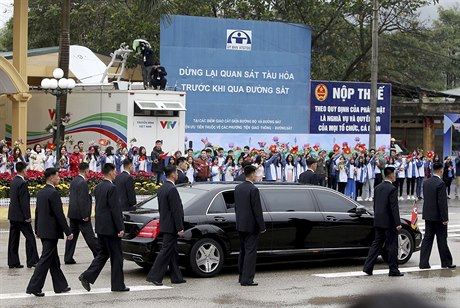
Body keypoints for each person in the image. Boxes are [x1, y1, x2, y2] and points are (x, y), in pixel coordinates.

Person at [79, 163, 129, 292]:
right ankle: (118, 285)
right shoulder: (112, 188)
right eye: (114, 171)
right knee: (117, 257)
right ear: (111, 172)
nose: (116, 174)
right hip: (111, 229)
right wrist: (120, 228)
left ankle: (87, 276)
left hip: (101, 228)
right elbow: (115, 210)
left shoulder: (99, 187)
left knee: (103, 254)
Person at [26, 168, 73, 297]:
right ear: (51, 177)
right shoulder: (53, 193)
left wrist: (37, 229)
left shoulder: (41, 192)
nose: (59, 178)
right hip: (51, 232)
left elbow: (37, 212)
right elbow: (59, 215)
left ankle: (60, 286)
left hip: (44, 230)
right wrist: (68, 231)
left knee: (53, 260)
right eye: (58, 176)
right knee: (45, 259)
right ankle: (34, 287)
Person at [146, 165, 186, 286]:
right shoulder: (172, 189)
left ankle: (176, 277)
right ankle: (154, 276)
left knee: (172, 251)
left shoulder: (162, 188)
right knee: (166, 251)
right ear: (173, 174)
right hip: (171, 226)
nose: (178, 175)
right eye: (176, 173)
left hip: (165, 223)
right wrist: (179, 227)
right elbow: (176, 210)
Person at [362, 166, 403, 277]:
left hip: (379, 220)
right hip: (389, 222)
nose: (395, 176)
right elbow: (394, 207)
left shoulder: (378, 187)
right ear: (391, 175)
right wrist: (398, 223)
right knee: (392, 246)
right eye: (394, 174)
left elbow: (375, 205)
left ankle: (368, 267)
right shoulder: (392, 189)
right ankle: (393, 270)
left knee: (376, 245)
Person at [419, 162, 456, 269]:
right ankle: (446, 262)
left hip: (428, 215)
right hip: (438, 217)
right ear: (441, 170)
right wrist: (445, 218)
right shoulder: (440, 184)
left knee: (427, 239)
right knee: (442, 239)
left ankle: (423, 263)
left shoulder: (426, 182)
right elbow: (442, 202)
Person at [235, 165, 266, 286]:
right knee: (250, 253)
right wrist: (262, 226)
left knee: (243, 251)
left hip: (241, 224)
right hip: (251, 226)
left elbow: (237, 207)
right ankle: (247, 279)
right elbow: (257, 210)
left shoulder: (238, 188)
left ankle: (241, 275)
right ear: (252, 174)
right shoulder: (253, 190)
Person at [64, 162, 98, 265]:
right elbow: (82, 200)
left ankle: (68, 257)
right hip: (81, 215)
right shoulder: (83, 183)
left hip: (73, 214)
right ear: (86, 170)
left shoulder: (74, 181)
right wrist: (85, 215)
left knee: (71, 237)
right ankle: (99, 254)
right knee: (90, 236)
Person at [7, 161, 39, 269]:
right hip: (21, 216)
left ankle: (13, 262)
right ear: (24, 170)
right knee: (30, 237)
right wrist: (27, 216)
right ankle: (32, 260)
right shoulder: (22, 183)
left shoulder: (13, 181)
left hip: (13, 215)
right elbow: (24, 202)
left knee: (13, 239)